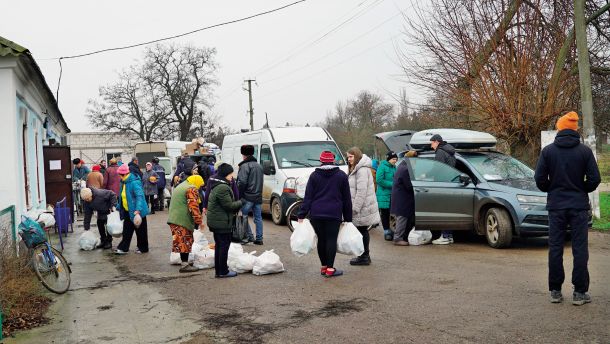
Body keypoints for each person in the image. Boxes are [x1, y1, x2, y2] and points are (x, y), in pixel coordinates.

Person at [534, 111, 601, 305]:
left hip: (556, 206)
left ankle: (555, 290)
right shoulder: (585, 151)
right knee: (580, 249)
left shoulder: (548, 152)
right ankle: (580, 293)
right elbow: (595, 179)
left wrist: (551, 189)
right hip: (578, 206)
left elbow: (539, 179)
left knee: (555, 247)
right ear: (574, 130)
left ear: (559, 128)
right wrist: (582, 189)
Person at [298, 151, 352, 278]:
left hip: (316, 214)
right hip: (334, 214)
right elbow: (346, 199)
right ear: (333, 161)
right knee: (331, 240)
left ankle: (323, 267)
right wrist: (348, 218)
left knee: (321, 240)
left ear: (321, 161)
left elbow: (308, 198)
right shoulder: (341, 176)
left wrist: (301, 214)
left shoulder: (314, 176)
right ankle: (330, 269)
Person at [207, 163, 244, 278]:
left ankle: (220, 270)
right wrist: (241, 202)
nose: (232, 176)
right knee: (223, 246)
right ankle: (223, 271)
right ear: (225, 174)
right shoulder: (223, 187)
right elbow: (229, 206)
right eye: (230, 174)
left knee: (219, 246)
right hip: (221, 222)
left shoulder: (218, 184)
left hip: (217, 221)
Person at [347, 147, 380, 266]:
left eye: (351, 156)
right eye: (348, 156)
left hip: (362, 207)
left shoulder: (361, 170)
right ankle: (363, 255)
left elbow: (361, 191)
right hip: (362, 206)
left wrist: (355, 208)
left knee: (362, 230)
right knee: (362, 230)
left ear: (356, 156)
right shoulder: (357, 168)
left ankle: (364, 256)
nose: (348, 159)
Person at [167, 174, 204, 273]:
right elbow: (193, 206)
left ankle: (185, 262)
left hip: (175, 218)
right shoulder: (191, 188)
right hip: (181, 219)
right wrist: (199, 221)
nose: (199, 187)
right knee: (184, 241)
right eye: (200, 185)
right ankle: (184, 265)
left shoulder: (182, 185)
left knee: (182, 241)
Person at [115, 164, 150, 255]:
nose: (118, 176)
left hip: (137, 211)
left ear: (124, 174)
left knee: (141, 231)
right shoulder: (123, 182)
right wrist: (119, 207)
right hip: (128, 211)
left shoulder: (134, 182)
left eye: (119, 174)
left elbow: (140, 196)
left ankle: (143, 248)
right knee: (127, 231)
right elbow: (122, 197)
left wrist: (138, 209)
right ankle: (123, 248)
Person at [429, 134, 457, 245]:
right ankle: (449, 236)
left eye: (431, 143)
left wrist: (425, 175)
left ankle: (445, 236)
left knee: (443, 211)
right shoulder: (449, 151)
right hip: (450, 183)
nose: (431, 146)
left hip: (442, 184)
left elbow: (437, 168)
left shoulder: (440, 152)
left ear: (436, 142)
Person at [237, 145, 264, 245]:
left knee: (243, 215)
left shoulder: (244, 166)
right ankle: (259, 238)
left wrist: (239, 195)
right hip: (258, 196)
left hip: (248, 196)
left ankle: (249, 236)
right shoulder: (259, 165)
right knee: (258, 218)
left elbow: (242, 182)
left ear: (243, 154)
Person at [391, 151, 417, 246]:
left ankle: (402, 237)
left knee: (402, 217)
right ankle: (397, 238)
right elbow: (409, 186)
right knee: (402, 218)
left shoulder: (401, 166)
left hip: (400, 197)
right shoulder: (406, 169)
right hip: (402, 198)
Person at [376, 151, 398, 241]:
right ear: (389, 159)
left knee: (392, 213)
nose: (395, 161)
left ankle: (392, 230)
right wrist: (392, 184)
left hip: (392, 194)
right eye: (393, 159)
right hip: (384, 194)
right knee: (385, 213)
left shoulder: (394, 167)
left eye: (396, 159)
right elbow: (379, 180)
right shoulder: (382, 167)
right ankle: (386, 232)